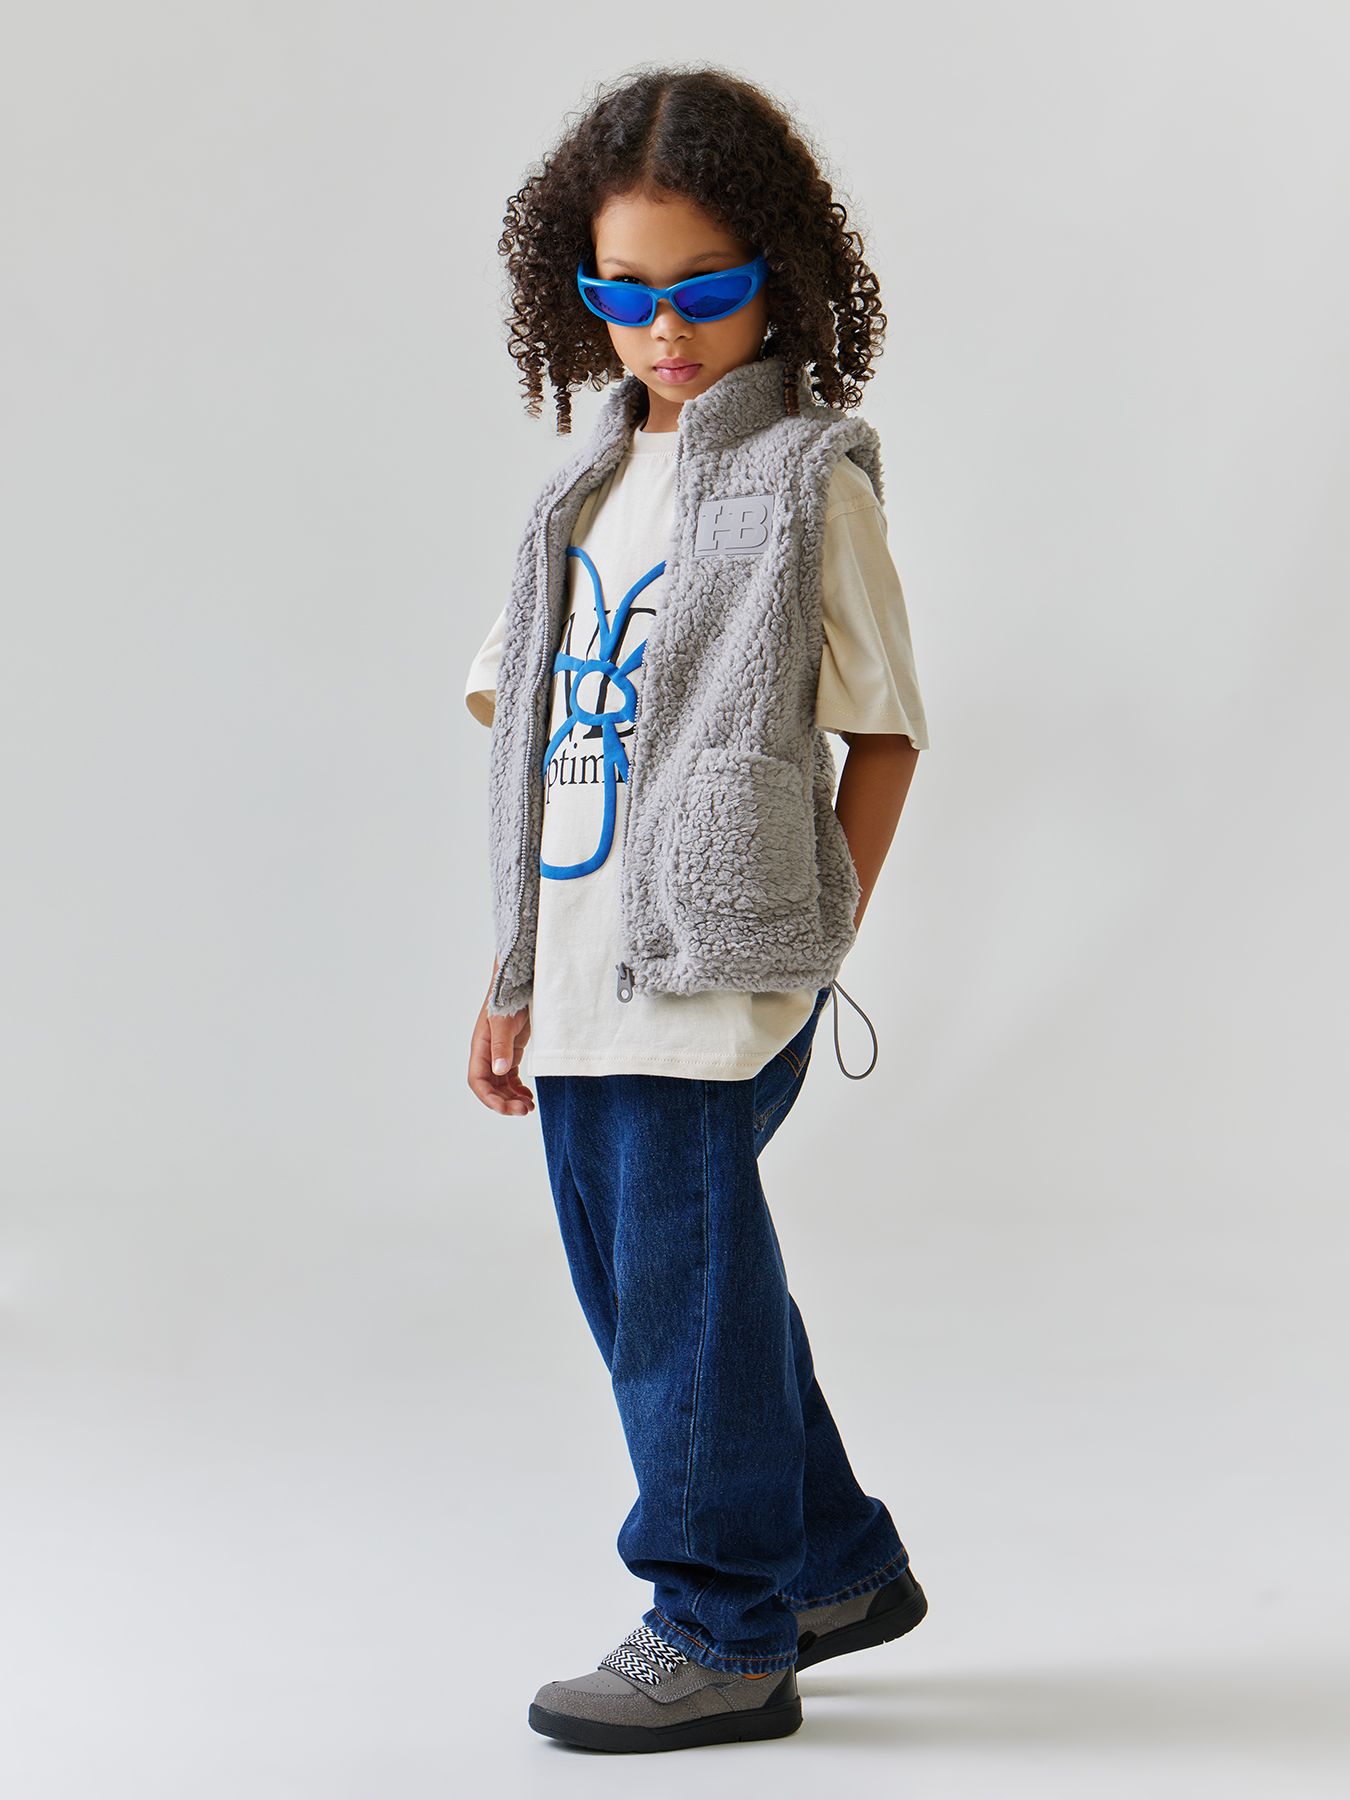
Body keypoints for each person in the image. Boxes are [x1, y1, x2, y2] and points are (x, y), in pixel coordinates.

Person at [464, 66, 931, 1754]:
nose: (663, 331)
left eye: (704, 290)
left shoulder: (809, 479)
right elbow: (522, 736)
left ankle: (721, 1625)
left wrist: (814, 938)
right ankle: (832, 1566)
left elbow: (884, 729)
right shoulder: (576, 494)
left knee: (677, 1297)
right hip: (582, 964)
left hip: (719, 966)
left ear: (776, 275)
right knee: (670, 1284)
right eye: (624, 295)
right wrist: (509, 973)